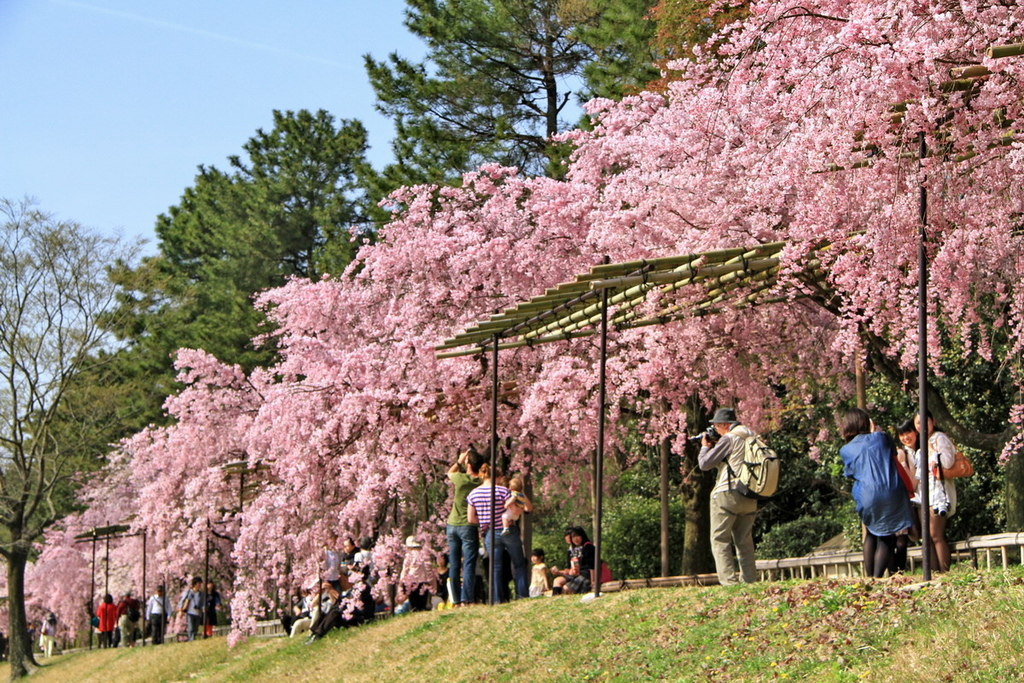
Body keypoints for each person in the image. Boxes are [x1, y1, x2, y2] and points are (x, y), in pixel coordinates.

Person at [839, 409, 915, 578]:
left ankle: (869, 578)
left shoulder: (845, 450)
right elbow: (892, 454)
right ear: (867, 422)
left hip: (865, 494)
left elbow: (851, 473)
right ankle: (877, 578)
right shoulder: (882, 437)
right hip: (890, 490)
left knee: (872, 533)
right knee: (887, 536)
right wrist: (873, 432)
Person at [698, 408, 760, 585]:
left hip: (728, 492)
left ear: (726, 424)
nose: (716, 429)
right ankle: (749, 581)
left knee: (720, 539)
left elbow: (705, 464)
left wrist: (704, 447)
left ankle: (729, 583)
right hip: (750, 493)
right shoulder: (752, 436)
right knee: (745, 541)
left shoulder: (730, 438)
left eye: (717, 426)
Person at [466, 463, 529, 602]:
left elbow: (471, 518)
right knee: (519, 563)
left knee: (495, 567)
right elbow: (514, 509)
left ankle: (497, 599)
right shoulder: (502, 491)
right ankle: (522, 595)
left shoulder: (473, 494)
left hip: (490, 532)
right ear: (497, 476)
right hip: (508, 530)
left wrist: (484, 519)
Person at [913, 410, 958, 573]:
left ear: (933, 421)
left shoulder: (939, 438)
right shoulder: (920, 445)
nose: (921, 425)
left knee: (936, 535)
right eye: (918, 422)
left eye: (925, 421)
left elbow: (947, 463)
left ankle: (944, 572)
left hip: (938, 495)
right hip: (923, 496)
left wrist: (932, 451)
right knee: (926, 537)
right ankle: (933, 572)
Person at [446, 447, 484, 607]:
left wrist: (459, 460)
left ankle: (454, 599)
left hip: (452, 524)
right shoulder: (481, 482)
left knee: (454, 563)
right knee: (469, 563)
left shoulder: (460, 479)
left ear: (468, 464)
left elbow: (449, 472)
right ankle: (466, 598)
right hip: (468, 526)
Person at [398, 536, 437, 612]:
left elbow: (405, 571)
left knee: (414, 606)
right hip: (424, 583)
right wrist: (433, 586)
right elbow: (430, 572)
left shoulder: (409, 556)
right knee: (422, 605)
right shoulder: (425, 555)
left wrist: (400, 585)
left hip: (411, 582)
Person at [178, 576, 205, 641]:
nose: (200, 585)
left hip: (198, 613)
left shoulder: (201, 594)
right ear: (195, 584)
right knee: (191, 627)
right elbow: (182, 601)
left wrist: (203, 608)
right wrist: (180, 610)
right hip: (190, 612)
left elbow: (203, 603)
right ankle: (191, 639)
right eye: (199, 583)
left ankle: (193, 638)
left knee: (196, 627)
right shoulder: (188, 592)